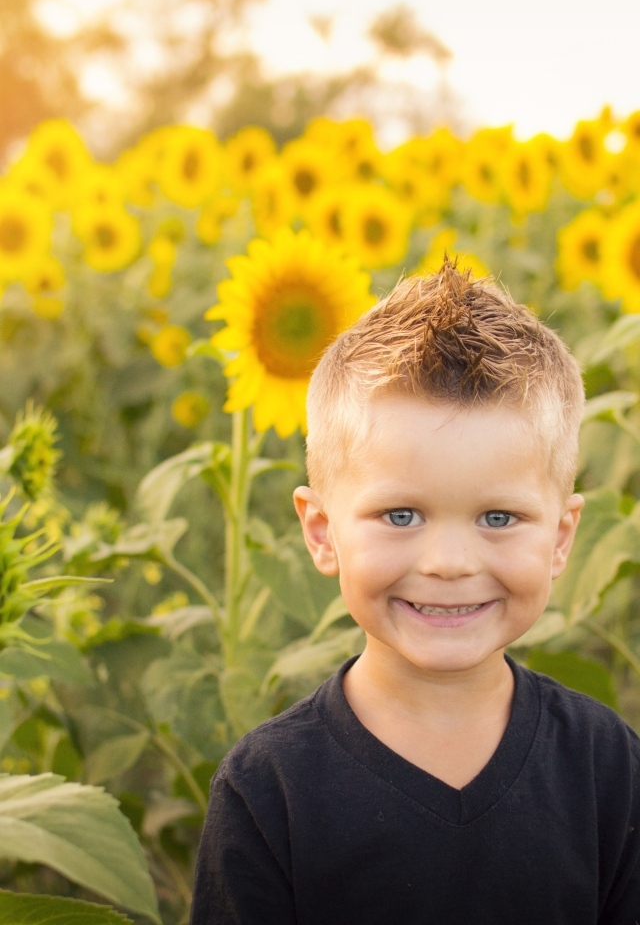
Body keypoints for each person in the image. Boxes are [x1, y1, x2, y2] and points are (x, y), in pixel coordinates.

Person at [189, 261, 640, 924]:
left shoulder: (606, 769)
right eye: (401, 516)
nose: (450, 563)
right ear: (321, 532)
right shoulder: (269, 789)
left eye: (498, 518)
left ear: (562, 537)